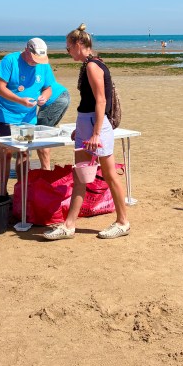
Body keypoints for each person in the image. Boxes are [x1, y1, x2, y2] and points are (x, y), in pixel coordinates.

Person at [44, 23, 129, 240]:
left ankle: (123, 222)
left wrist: (96, 133)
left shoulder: (93, 66)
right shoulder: (87, 65)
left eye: (68, 48)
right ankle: (69, 225)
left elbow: (101, 101)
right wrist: (80, 130)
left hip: (96, 126)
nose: (68, 52)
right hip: (85, 123)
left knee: (110, 175)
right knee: (80, 176)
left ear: (79, 44)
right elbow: (88, 102)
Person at [0, 38, 55, 195]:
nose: (36, 63)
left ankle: (22, 190)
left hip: (27, 119)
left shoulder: (43, 66)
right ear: (27, 50)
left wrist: (45, 97)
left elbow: (48, 88)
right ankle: (2, 191)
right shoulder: (10, 60)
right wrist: (20, 100)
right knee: (5, 153)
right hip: (6, 116)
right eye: (34, 59)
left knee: (24, 152)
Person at [35, 74, 70, 171]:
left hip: (54, 99)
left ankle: (46, 169)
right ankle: (46, 168)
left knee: (41, 135)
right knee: (46, 132)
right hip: (63, 94)